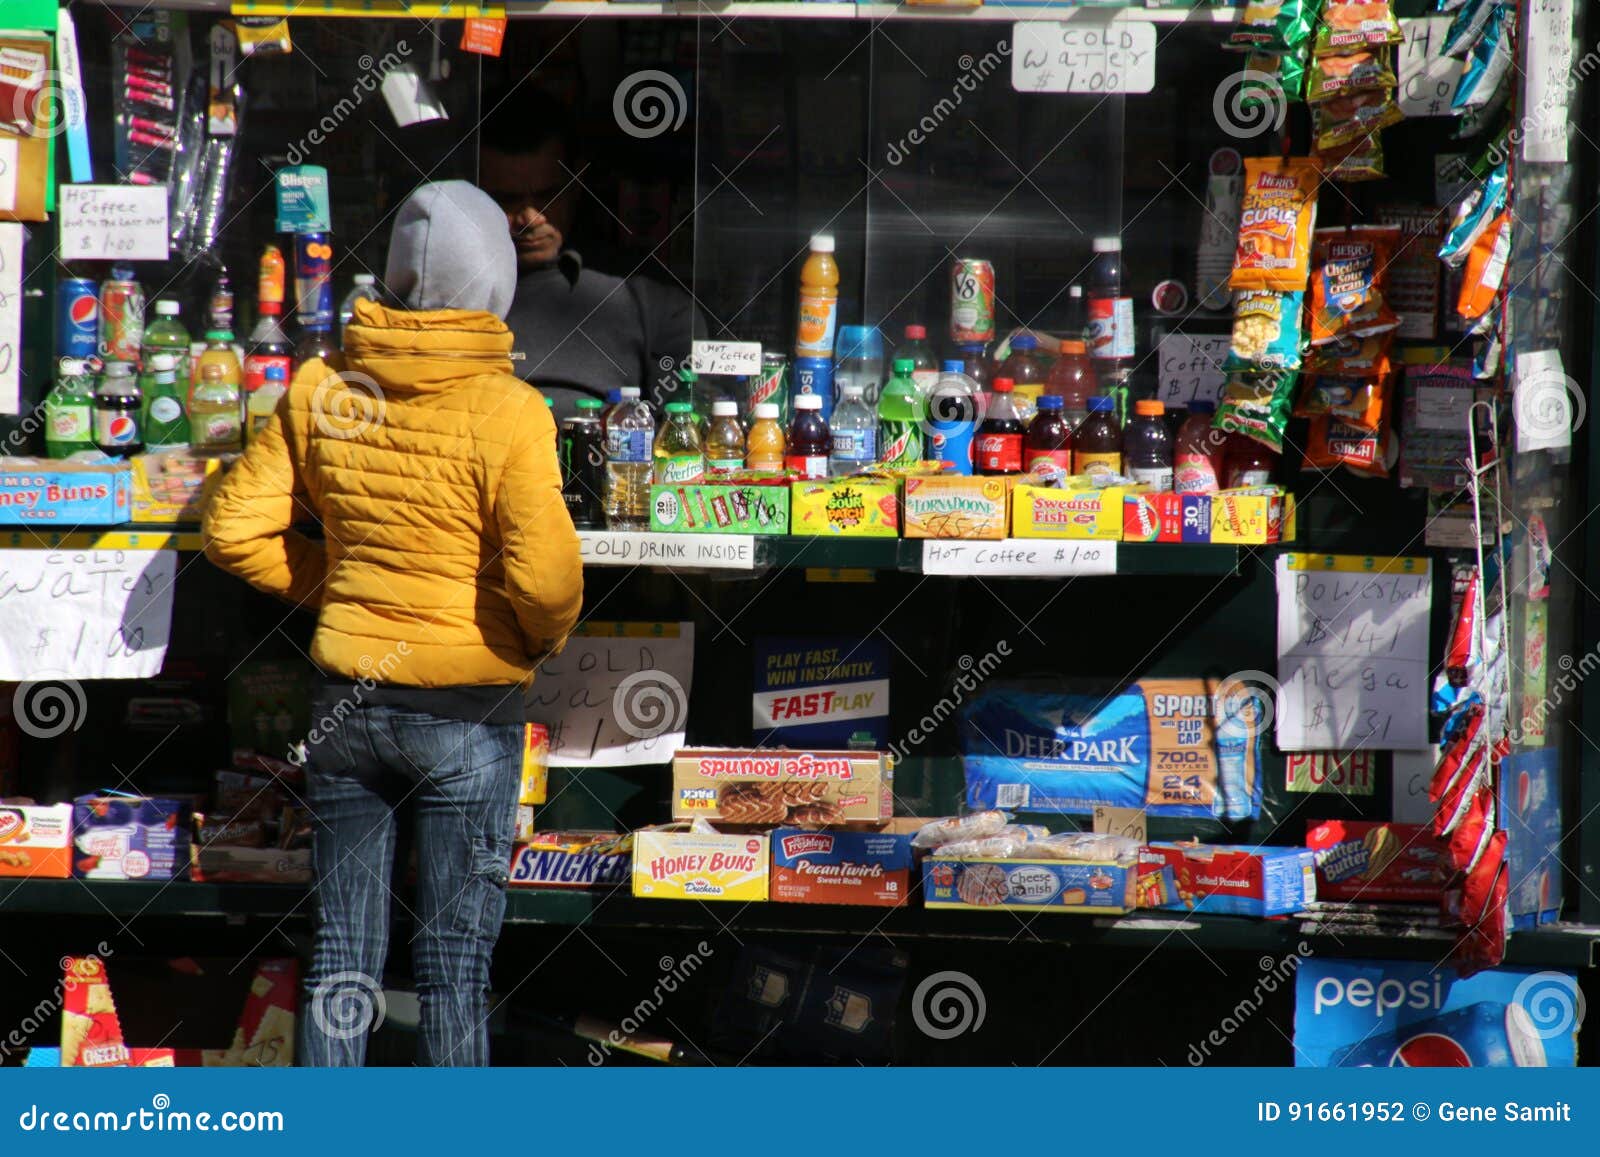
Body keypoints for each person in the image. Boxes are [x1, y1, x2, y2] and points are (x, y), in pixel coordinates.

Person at [201, 180, 584, 1067]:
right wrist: (533, 639)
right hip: (469, 710)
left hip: (347, 706)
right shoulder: (512, 409)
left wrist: (340, 588)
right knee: (454, 964)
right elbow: (548, 580)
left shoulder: (323, 384)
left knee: (342, 956)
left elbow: (232, 530)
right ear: (495, 284)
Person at [477, 87, 704, 412]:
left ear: (577, 186)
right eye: (508, 199)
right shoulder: (446, 296)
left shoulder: (647, 297)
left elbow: (684, 428)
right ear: (478, 194)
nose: (530, 217)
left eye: (547, 195)